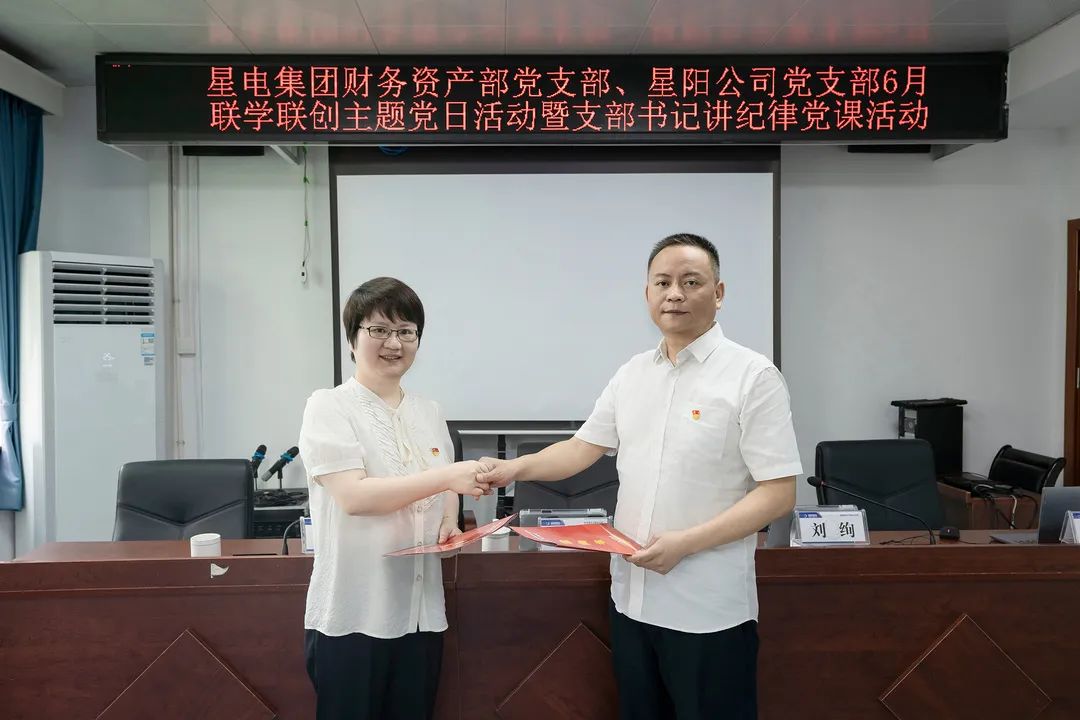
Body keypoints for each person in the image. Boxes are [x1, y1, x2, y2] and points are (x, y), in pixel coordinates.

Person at [478, 233, 801, 720]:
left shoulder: (752, 377)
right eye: (663, 282)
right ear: (647, 293)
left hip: (707, 608)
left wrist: (686, 543)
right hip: (632, 601)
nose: (675, 294)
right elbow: (582, 449)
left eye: (691, 282)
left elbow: (778, 493)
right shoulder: (632, 374)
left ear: (718, 293)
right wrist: (513, 468)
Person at [299, 276, 491, 720]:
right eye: (379, 330)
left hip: (421, 613)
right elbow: (354, 497)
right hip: (355, 613)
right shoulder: (328, 406)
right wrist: (448, 477)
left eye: (406, 331)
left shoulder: (429, 411)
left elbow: (446, 488)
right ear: (352, 339)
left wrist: (449, 520)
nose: (394, 343)